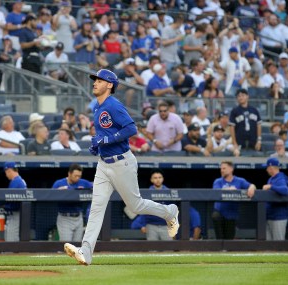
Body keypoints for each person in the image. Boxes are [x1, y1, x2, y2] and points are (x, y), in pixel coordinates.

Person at [64, 69, 179, 266]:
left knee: (136, 206)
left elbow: (131, 128)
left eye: (99, 80)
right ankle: (86, 252)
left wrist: (107, 139)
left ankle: (169, 212)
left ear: (109, 85)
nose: (95, 83)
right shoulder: (98, 108)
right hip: (104, 164)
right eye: (95, 80)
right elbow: (106, 135)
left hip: (122, 162)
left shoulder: (113, 105)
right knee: (96, 208)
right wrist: (97, 144)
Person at [131, 169, 202, 240]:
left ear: (163, 179)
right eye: (155, 178)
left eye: (159, 177)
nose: (158, 180)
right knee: (153, 249)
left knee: (169, 248)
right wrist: (142, 225)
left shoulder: (169, 192)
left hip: (165, 225)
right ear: (151, 180)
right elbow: (143, 211)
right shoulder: (147, 193)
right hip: (151, 225)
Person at [212, 161, 256, 240]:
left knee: (229, 239)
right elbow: (216, 191)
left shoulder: (240, 180)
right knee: (215, 216)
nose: (222, 170)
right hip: (220, 211)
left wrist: (252, 187)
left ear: (231, 169)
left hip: (232, 213)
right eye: (221, 168)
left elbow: (251, 185)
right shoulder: (218, 181)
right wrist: (229, 189)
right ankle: (219, 246)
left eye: (224, 168)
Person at [52, 164, 93, 242]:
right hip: (65, 217)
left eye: (79, 176)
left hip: (78, 218)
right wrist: (58, 191)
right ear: (69, 174)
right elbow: (49, 195)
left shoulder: (83, 183)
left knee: (77, 246)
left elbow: (95, 186)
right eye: (75, 176)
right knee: (67, 246)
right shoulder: (59, 183)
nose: (77, 178)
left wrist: (86, 189)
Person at [262, 157, 288, 241]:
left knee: (278, 244)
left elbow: (285, 190)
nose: (266, 170)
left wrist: (271, 186)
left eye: (267, 168)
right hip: (269, 215)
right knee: (268, 244)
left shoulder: (280, 177)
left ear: (271, 168)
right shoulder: (270, 179)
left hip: (278, 216)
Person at [229, 88, 262, 152]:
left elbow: (259, 125)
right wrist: (234, 142)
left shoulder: (254, 110)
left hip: (253, 140)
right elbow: (232, 127)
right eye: (238, 96)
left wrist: (259, 140)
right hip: (240, 140)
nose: (241, 97)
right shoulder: (235, 111)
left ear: (247, 96)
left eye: (243, 95)